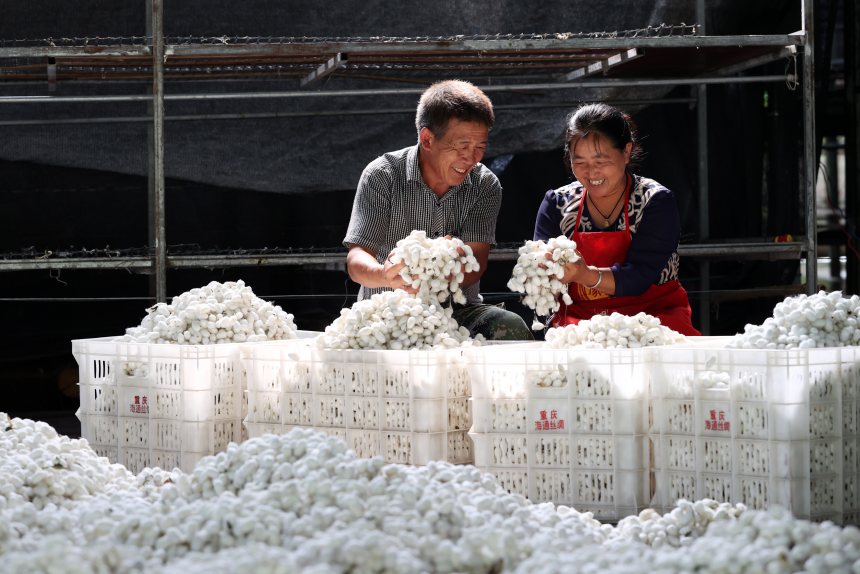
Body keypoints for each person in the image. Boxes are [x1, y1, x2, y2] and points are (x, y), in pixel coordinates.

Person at [343, 79, 533, 341]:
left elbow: (476, 263)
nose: (471, 158)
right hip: (387, 312)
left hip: (459, 314)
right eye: (461, 146)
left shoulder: (485, 185)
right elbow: (357, 261)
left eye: (480, 147)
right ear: (428, 139)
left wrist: (446, 268)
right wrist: (386, 275)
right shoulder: (382, 176)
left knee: (509, 326)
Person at [533, 102, 701, 336]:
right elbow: (542, 270)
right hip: (581, 320)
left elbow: (640, 276)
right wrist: (542, 272)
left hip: (653, 318)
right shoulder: (558, 204)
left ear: (626, 152)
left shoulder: (654, 200)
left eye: (601, 161)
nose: (591, 172)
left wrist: (584, 275)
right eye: (579, 162)